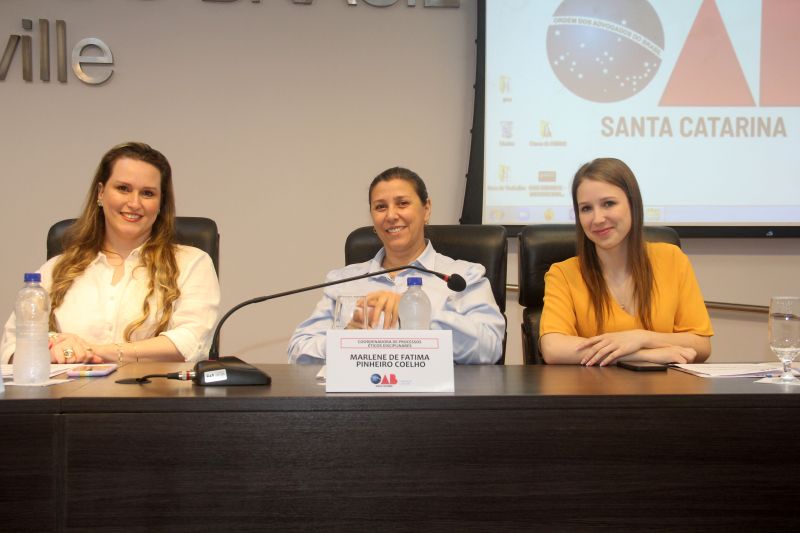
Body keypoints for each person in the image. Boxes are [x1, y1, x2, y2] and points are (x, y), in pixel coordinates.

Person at [0, 142, 220, 365]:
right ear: (101, 193)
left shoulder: (192, 263)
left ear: (161, 203)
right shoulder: (54, 270)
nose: (134, 203)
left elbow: (190, 342)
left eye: (147, 193)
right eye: (123, 188)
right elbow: (11, 348)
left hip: (156, 388)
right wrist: (53, 350)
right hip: (67, 388)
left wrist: (94, 351)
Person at [288, 167, 505, 365]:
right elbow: (298, 351)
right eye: (380, 207)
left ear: (426, 209)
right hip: (360, 394)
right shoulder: (343, 281)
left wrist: (416, 312)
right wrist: (345, 340)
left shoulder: (463, 276)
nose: (391, 215)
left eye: (402, 203)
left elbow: (490, 347)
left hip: (437, 395)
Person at [539, 158, 713, 365]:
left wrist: (641, 338)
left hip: (665, 385)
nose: (597, 218)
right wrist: (640, 355)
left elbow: (701, 345)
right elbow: (553, 348)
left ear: (633, 204)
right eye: (586, 208)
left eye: (608, 204)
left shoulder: (672, 259)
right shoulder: (563, 273)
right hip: (594, 385)